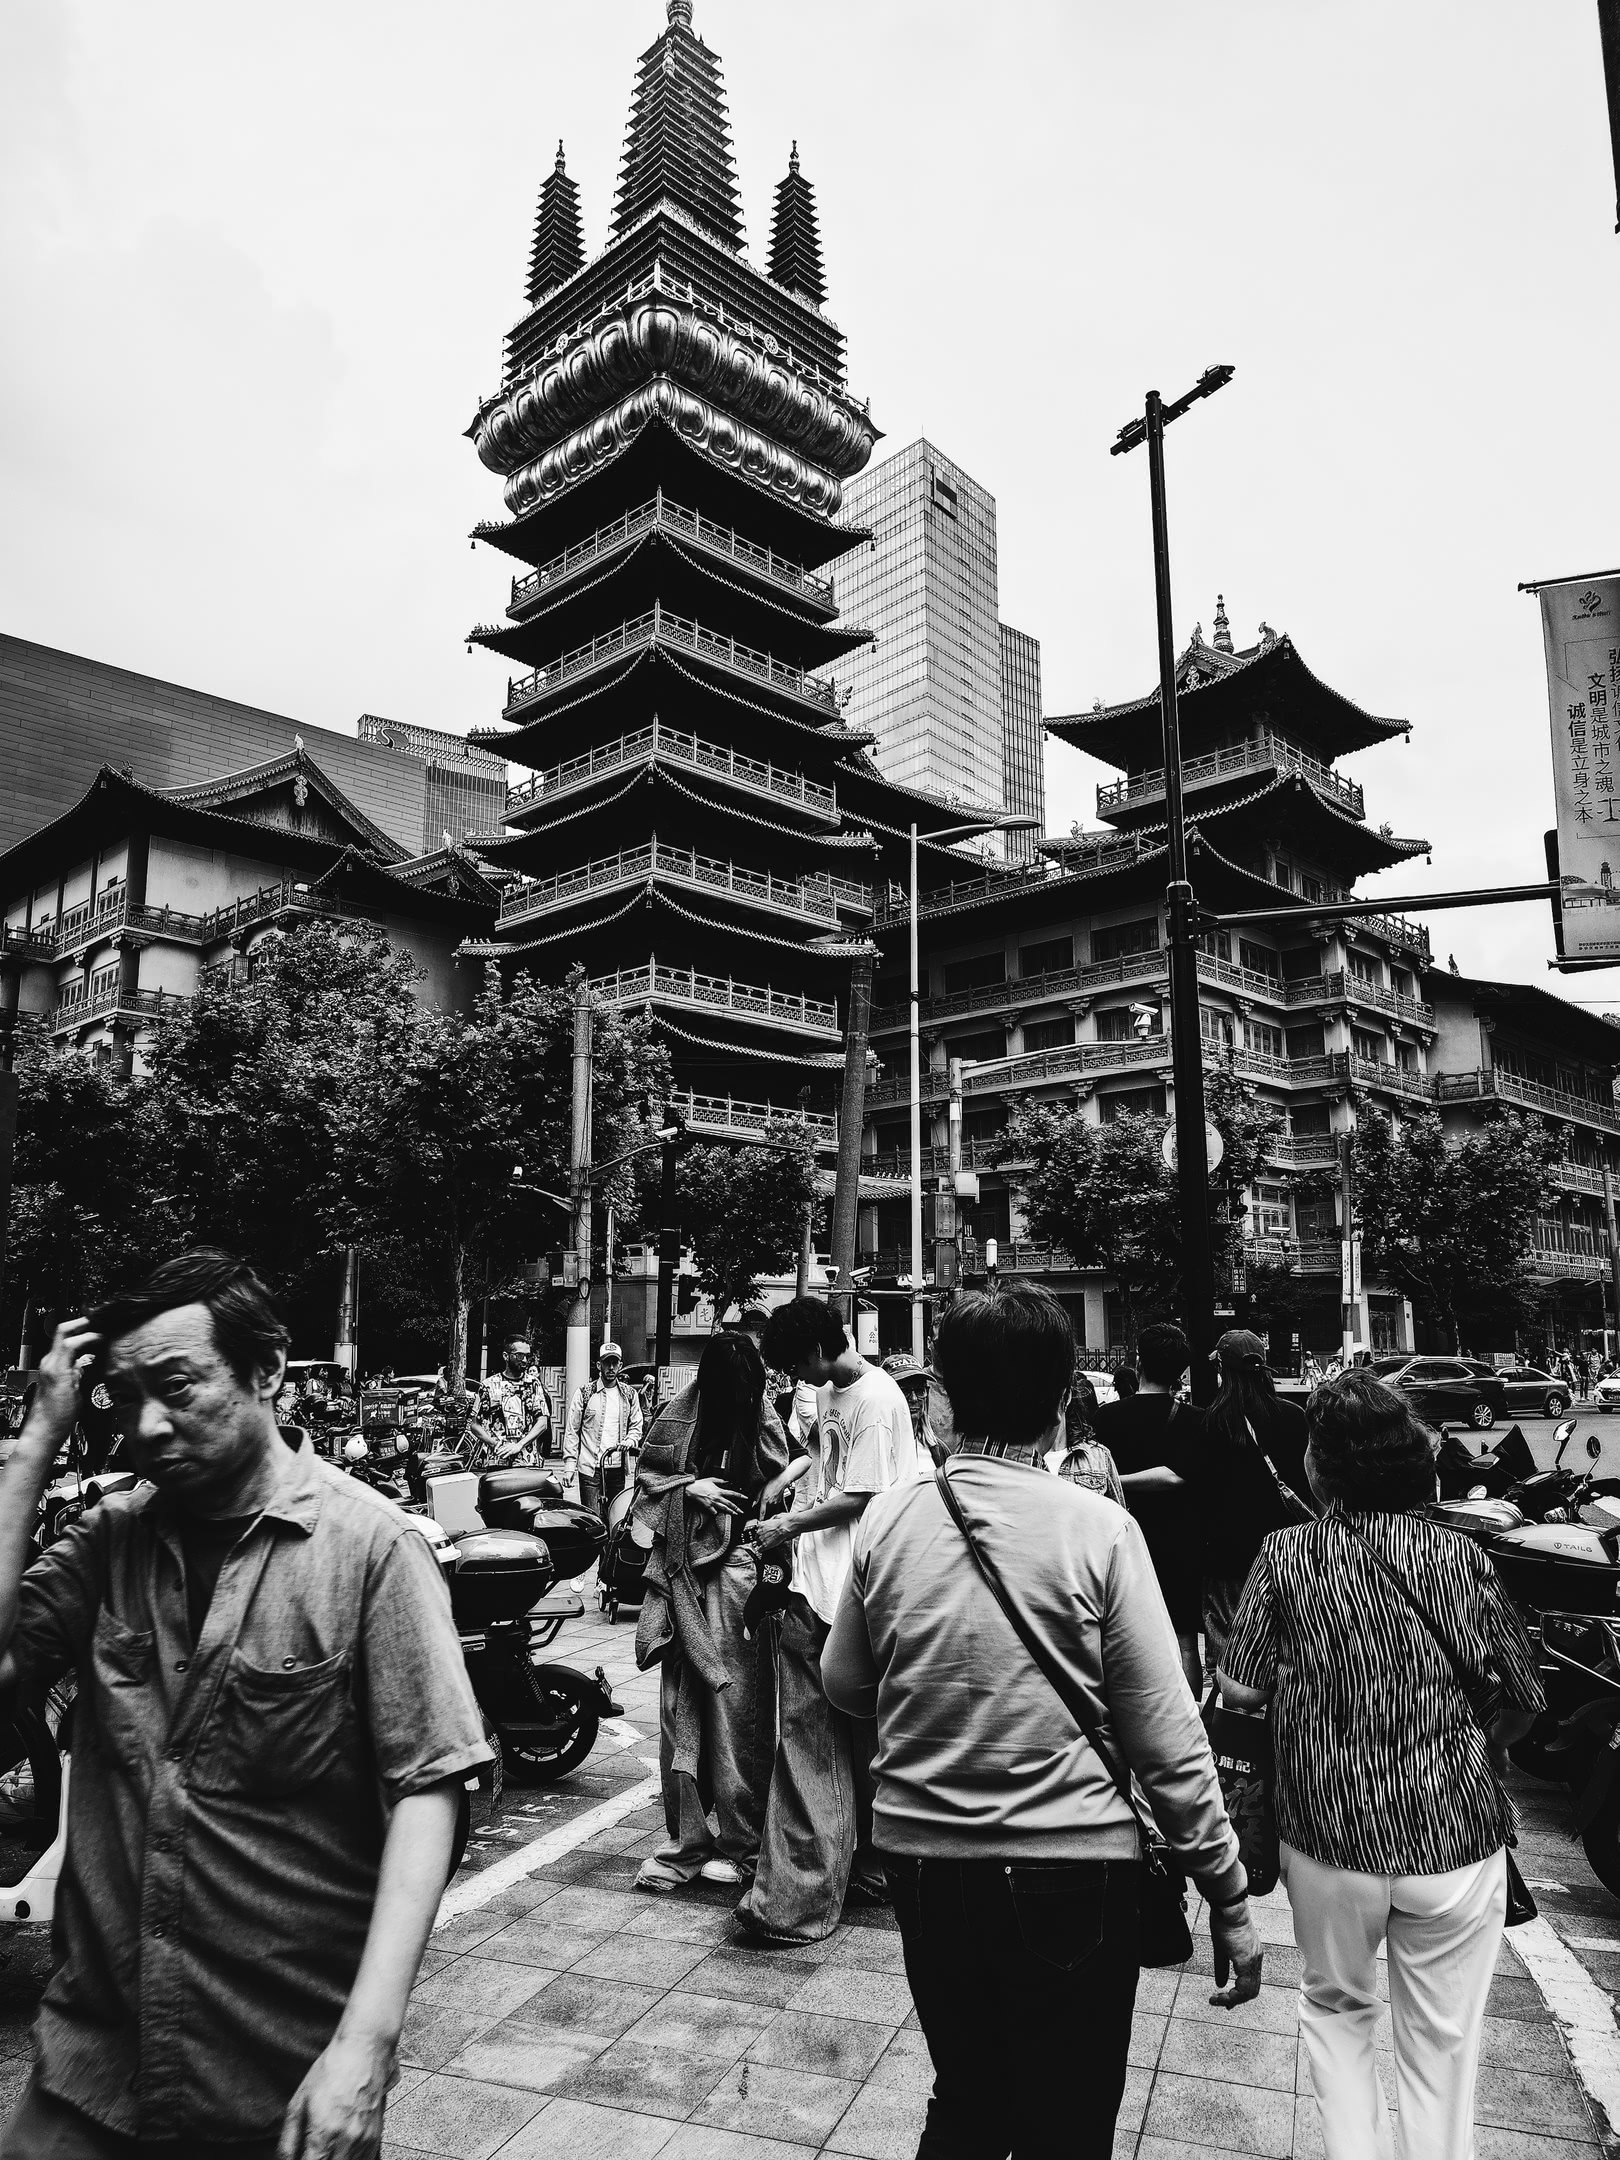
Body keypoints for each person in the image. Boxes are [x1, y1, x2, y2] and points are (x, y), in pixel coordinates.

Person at [0, 1250, 490, 2160]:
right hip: (90, 2073)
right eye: (124, 1395)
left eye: (178, 1386)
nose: (148, 1424)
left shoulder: (369, 1551)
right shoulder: (109, 1544)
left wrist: (366, 2047)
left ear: (266, 1372)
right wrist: (34, 1450)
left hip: (273, 2087)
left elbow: (430, 1787)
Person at [823, 1283, 1262, 2160]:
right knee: (1068, 2120)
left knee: (966, 2100)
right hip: (1072, 1872)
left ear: (941, 1396)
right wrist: (1228, 1890)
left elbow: (845, 1686)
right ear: (1065, 1401)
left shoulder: (889, 1519)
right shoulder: (1096, 1529)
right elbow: (1166, 1739)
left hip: (925, 1867)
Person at [1217, 1370, 1544, 2160]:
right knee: (1443, 2044)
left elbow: (1238, 1686)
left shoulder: (1288, 1554)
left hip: (1328, 1834)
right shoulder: (1459, 1557)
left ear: (1320, 1468)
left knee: (1335, 2010)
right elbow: (1527, 1694)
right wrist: (1478, 1744)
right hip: (1455, 1840)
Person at [736, 1298, 925, 1944]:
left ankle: (797, 1898)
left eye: (795, 1365)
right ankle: (856, 1869)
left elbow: (865, 1495)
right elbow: (825, 1464)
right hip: (820, 1587)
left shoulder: (876, 1400)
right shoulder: (840, 1396)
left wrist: (789, 1522)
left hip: (848, 1594)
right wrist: (787, 1480)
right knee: (844, 1743)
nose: (795, 1378)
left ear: (817, 1349)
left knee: (812, 1746)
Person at [632, 1334, 795, 1892]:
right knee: (679, 1706)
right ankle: (688, 1840)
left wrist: (769, 1496)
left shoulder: (761, 1413)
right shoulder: (678, 1417)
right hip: (683, 1571)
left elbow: (796, 1462)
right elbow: (646, 1484)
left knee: (736, 1710)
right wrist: (690, 1488)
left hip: (737, 1573)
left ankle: (743, 1843)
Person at [1185, 1328, 1312, 1686]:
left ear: (1222, 1370)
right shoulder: (1293, 1416)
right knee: (1288, 1657)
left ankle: (1236, 1735)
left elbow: (1200, 1496)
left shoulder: (1210, 1422)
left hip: (1228, 1561)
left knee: (1233, 1667)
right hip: (1289, 1557)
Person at [1095, 1322, 1205, 1698]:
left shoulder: (1106, 1419)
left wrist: (1116, 1481)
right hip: (1179, 1539)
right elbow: (1178, 1477)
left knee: (1117, 1637)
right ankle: (1190, 1720)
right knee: (1184, 1639)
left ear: (1138, 1361)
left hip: (1120, 1537)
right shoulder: (1194, 1419)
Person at [563, 1341, 643, 1517]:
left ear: (620, 1365)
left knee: (615, 1519)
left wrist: (630, 1440)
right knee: (593, 1520)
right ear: (599, 1365)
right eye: (607, 1363)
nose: (611, 1367)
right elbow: (572, 1431)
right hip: (590, 1468)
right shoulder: (585, 1393)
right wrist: (569, 1466)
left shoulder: (629, 1394)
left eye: (615, 1363)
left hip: (617, 1468)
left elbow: (637, 1425)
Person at [469, 1333, 550, 1466]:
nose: (524, 1360)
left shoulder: (533, 1384)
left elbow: (542, 1422)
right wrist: (494, 1443)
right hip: (497, 1460)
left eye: (527, 1356)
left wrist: (519, 1445)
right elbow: (474, 1424)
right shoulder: (489, 1385)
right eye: (519, 1355)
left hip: (527, 1461)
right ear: (506, 1356)